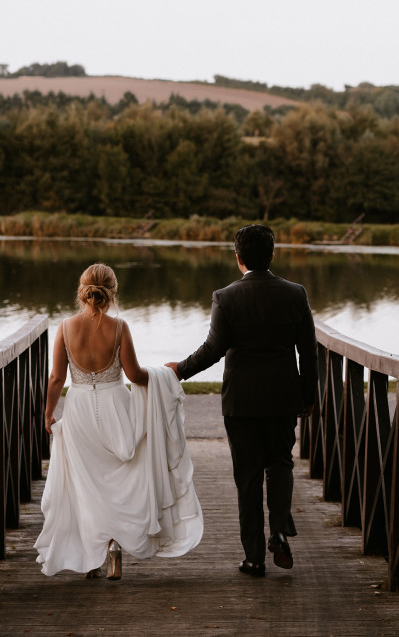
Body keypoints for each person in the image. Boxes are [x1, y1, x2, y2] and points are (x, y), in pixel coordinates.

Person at [35, 263, 203, 580]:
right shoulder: (120, 327)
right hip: (116, 407)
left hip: (80, 409)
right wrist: (165, 374)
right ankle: (114, 546)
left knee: (88, 484)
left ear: (82, 291)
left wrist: (48, 414)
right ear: (113, 292)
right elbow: (135, 376)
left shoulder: (65, 327)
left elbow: (57, 378)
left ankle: (92, 556)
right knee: (120, 480)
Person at [166, 224, 317, 578]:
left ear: (239, 258)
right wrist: (307, 397)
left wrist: (180, 369)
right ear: (272, 255)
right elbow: (308, 354)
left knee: (248, 475)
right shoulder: (296, 293)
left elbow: (214, 349)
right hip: (283, 397)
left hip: (242, 402)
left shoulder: (226, 296)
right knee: (280, 462)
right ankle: (279, 530)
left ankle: (254, 559)